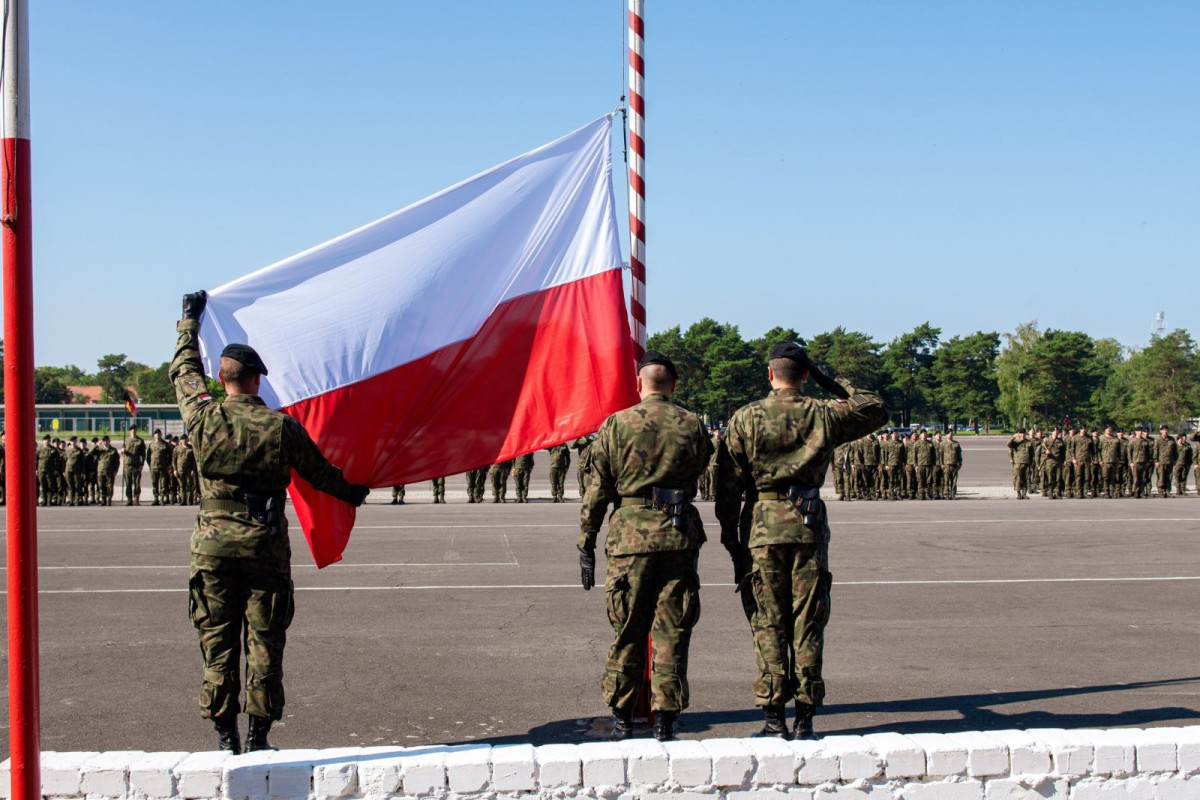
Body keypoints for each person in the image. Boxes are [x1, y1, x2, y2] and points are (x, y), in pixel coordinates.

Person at [171, 291, 370, 754]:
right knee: (264, 643)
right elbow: (322, 475)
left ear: (222, 380)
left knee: (217, 644)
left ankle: (225, 738)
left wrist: (188, 324)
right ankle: (259, 738)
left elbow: (184, 371)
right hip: (265, 547)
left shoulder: (201, 418)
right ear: (258, 380)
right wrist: (355, 491)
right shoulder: (282, 428)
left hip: (214, 550)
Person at [715, 342, 887, 740]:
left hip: (761, 527)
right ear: (806, 376)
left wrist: (731, 539)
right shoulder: (824, 413)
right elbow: (874, 406)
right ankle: (806, 715)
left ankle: (773, 716)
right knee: (807, 620)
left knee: (767, 621)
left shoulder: (745, 418)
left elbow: (727, 489)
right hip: (807, 526)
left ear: (769, 374)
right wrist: (833, 380)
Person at [577, 351, 712, 742]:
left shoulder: (617, 425)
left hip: (630, 538)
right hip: (677, 534)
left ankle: (622, 715)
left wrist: (586, 540)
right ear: (673, 385)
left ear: (640, 384)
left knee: (628, 628)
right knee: (673, 628)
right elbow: (703, 467)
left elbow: (597, 490)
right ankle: (666, 717)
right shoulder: (692, 424)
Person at [1007, 430, 1035, 499]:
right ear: (1018, 434)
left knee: (1026, 478)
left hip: (1027, 462)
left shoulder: (1029, 442)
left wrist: (1032, 463)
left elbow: (1032, 454)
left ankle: (1024, 493)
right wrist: (1014, 437)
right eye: (1021, 434)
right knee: (1018, 479)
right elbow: (1008, 444)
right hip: (1018, 463)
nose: (1022, 435)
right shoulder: (1015, 442)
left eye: (1023, 433)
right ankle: (1018, 493)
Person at [148, 429, 173, 506]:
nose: (158, 435)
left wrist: (168, 463)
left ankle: (162, 499)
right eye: (156, 434)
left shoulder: (165, 444)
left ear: (161, 434)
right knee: (154, 483)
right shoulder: (151, 444)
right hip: (153, 467)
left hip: (163, 466)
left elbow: (170, 454)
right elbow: (148, 456)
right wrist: (150, 465)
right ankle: (156, 499)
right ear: (154, 435)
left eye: (159, 434)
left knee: (163, 483)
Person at [124, 425, 147, 505]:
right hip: (127, 464)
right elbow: (123, 452)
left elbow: (143, 454)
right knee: (128, 483)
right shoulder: (126, 440)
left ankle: (136, 499)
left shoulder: (140, 441)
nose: (133, 431)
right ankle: (129, 499)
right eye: (132, 429)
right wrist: (123, 451)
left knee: (137, 483)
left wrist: (142, 464)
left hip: (136, 464)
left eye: (134, 429)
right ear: (130, 431)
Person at [1153, 425, 1176, 498]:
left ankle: (1168, 491)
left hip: (1169, 461)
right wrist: (1156, 461)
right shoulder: (1158, 439)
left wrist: (1175, 460)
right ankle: (1161, 491)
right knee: (1161, 477)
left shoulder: (1171, 439)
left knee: (1169, 477)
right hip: (1161, 461)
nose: (1165, 431)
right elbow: (1155, 451)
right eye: (1163, 430)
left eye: (1166, 430)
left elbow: (1175, 451)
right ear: (1161, 431)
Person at [96, 436, 120, 505]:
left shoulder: (113, 450)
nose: (105, 442)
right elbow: (90, 453)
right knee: (101, 485)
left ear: (109, 441)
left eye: (107, 440)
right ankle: (103, 499)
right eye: (104, 441)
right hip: (101, 470)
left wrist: (116, 470)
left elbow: (117, 461)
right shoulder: (99, 449)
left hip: (110, 471)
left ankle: (109, 499)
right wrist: (96, 445)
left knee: (110, 486)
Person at [940, 429, 962, 499]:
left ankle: (953, 494)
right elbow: (940, 454)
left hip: (954, 464)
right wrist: (941, 464)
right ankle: (946, 493)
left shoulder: (956, 443)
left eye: (952, 434)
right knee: (946, 480)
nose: (950, 435)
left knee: (954, 480)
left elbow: (959, 455)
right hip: (946, 464)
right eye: (949, 434)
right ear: (946, 435)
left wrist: (960, 463)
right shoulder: (943, 444)